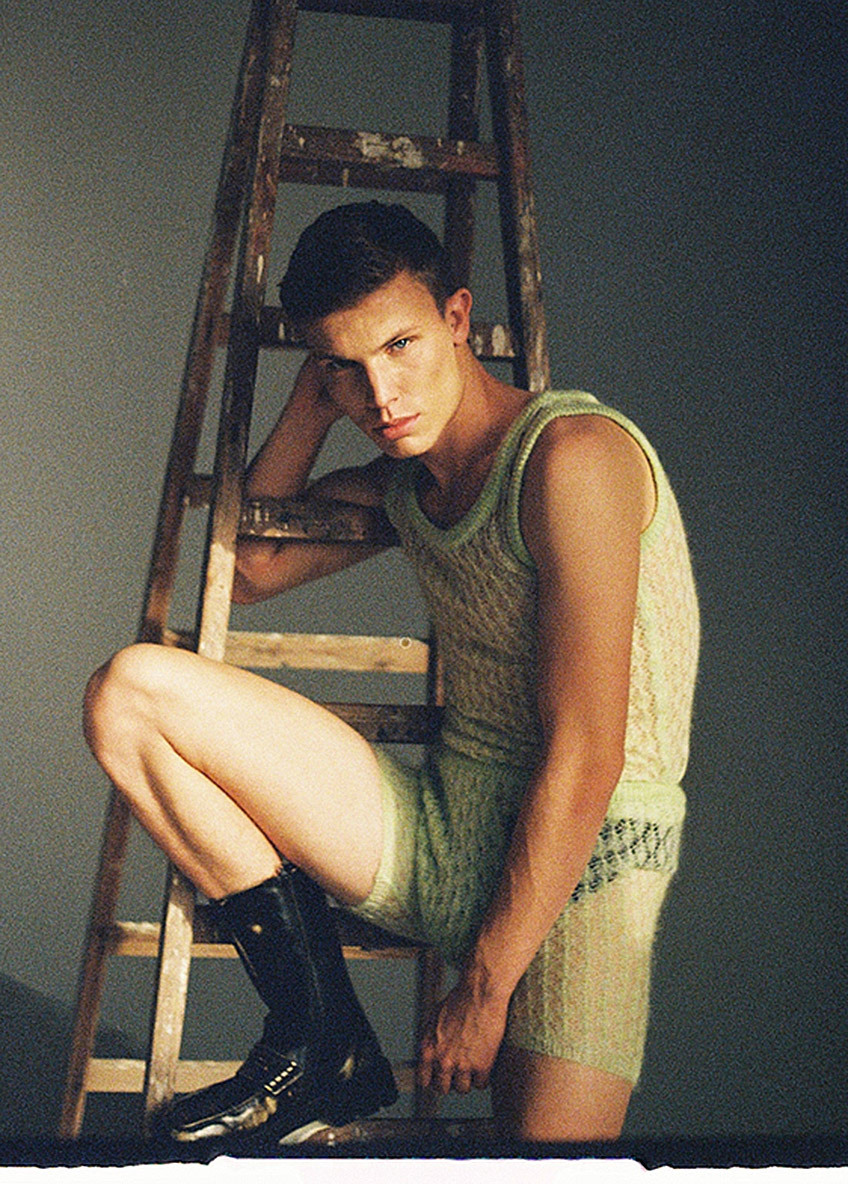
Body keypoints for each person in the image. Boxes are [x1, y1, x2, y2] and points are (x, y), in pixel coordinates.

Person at [83, 201, 699, 1144]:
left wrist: (483, 989)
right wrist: (311, 400)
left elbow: (588, 755)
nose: (382, 394)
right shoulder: (408, 480)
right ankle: (321, 1036)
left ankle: (375, 1031)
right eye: (347, 367)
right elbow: (253, 567)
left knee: (549, 1168)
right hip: (445, 832)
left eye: (401, 345)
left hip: (588, 863)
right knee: (131, 696)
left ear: (457, 318)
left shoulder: (573, 460)